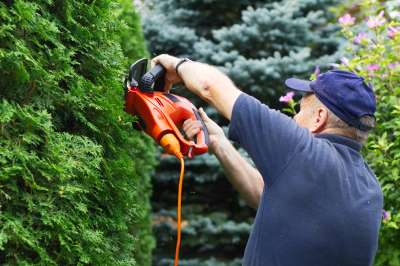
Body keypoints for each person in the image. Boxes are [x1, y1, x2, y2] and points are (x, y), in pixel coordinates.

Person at [152, 54, 383, 266]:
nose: (294, 117)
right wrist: (220, 144)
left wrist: (178, 65)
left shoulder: (303, 150)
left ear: (319, 118)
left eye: (301, 110)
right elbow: (264, 194)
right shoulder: (370, 187)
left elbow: (209, 86)